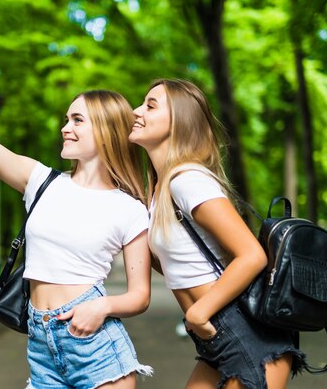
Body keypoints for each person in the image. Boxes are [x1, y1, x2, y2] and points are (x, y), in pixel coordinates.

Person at [0, 40, 153, 389]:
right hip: (40, 345)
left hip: (95, 347)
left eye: (77, 120)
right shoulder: (42, 181)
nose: (65, 127)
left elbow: (139, 295)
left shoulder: (129, 209)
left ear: (106, 131)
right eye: (67, 119)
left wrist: (101, 307)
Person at [129, 78, 305, 389]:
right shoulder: (159, 192)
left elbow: (252, 255)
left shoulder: (188, 181)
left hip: (246, 337)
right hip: (217, 342)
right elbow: (176, 263)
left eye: (150, 105)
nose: (135, 111)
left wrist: (198, 313)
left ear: (179, 123)